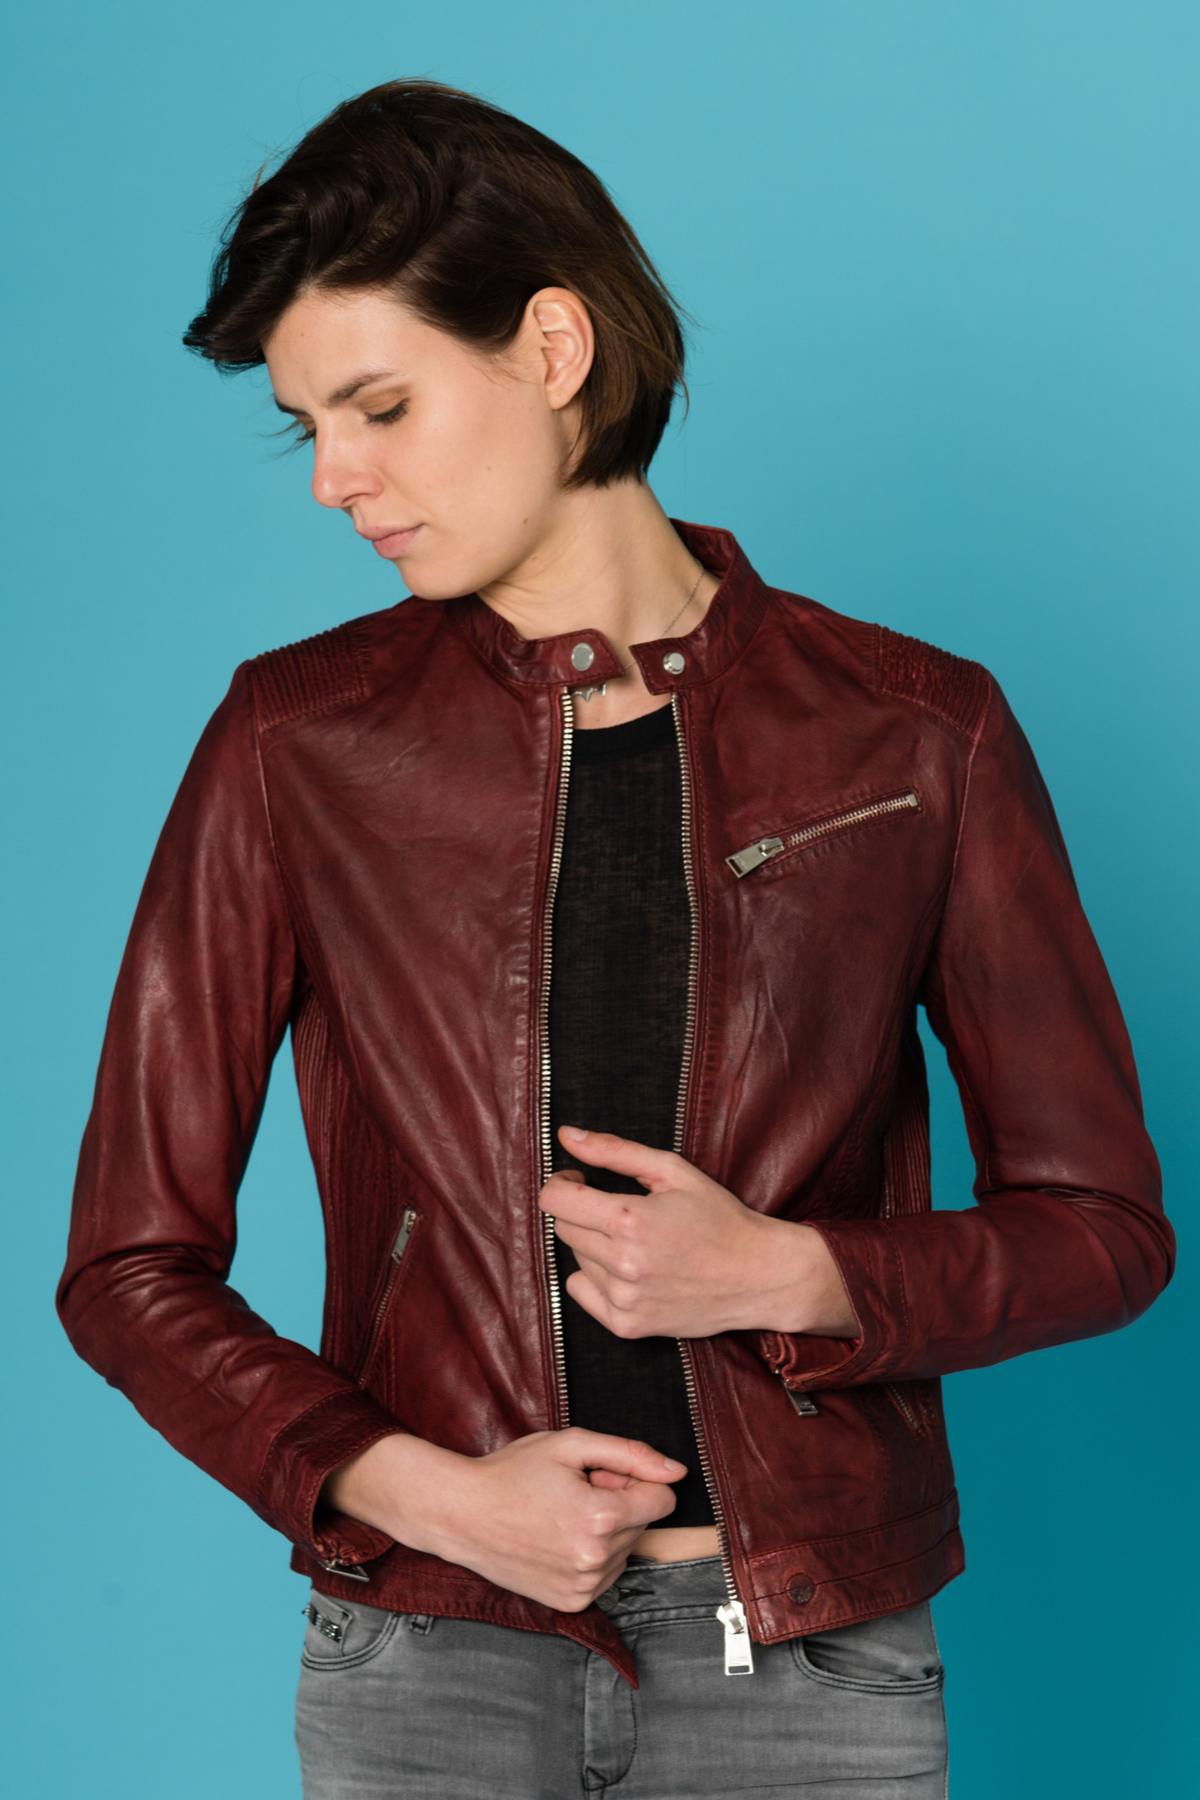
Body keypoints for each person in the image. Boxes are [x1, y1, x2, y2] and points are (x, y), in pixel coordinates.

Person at [56, 77, 1175, 1800]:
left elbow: (1104, 1230)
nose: (337, 479)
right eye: (308, 429)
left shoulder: (913, 732)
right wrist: (426, 1494)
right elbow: (129, 1267)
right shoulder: (298, 743)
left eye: (380, 407)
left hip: (807, 1668)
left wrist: (794, 1275)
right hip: (429, 1663)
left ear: (554, 346)